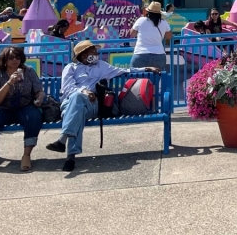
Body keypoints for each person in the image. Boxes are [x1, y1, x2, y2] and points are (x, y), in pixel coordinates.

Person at [46, 40, 160, 171]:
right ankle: (70, 155)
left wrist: (145, 68)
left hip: (92, 104)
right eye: (92, 51)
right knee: (76, 104)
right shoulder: (70, 68)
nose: (95, 54)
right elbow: (67, 88)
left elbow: (123, 71)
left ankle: (64, 144)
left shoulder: (101, 66)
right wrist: (83, 91)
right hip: (70, 103)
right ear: (82, 55)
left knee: (75, 111)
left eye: (95, 51)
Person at [0, 46, 45, 174]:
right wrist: (9, 83)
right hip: (2, 108)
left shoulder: (29, 71)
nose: (15, 60)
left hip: (24, 106)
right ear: (4, 60)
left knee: (34, 116)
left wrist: (40, 97)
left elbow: (39, 91)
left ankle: (26, 156)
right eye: (11, 58)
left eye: (18, 57)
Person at [129, 1, 171, 70]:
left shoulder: (141, 20)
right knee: (155, 79)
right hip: (159, 56)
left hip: (140, 54)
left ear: (148, 11)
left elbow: (132, 34)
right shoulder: (164, 22)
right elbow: (169, 36)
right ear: (159, 13)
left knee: (136, 79)